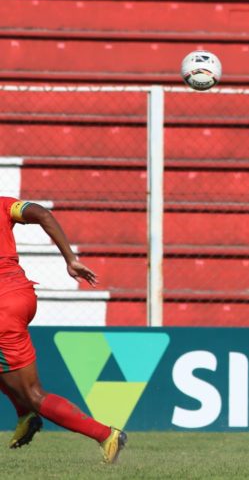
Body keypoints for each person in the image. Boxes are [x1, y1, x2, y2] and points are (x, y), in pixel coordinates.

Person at [0, 198, 125, 463]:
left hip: (3, 310)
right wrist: (71, 260)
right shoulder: (4, 205)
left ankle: (106, 435)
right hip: (20, 293)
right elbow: (43, 214)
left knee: (34, 394)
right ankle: (25, 414)